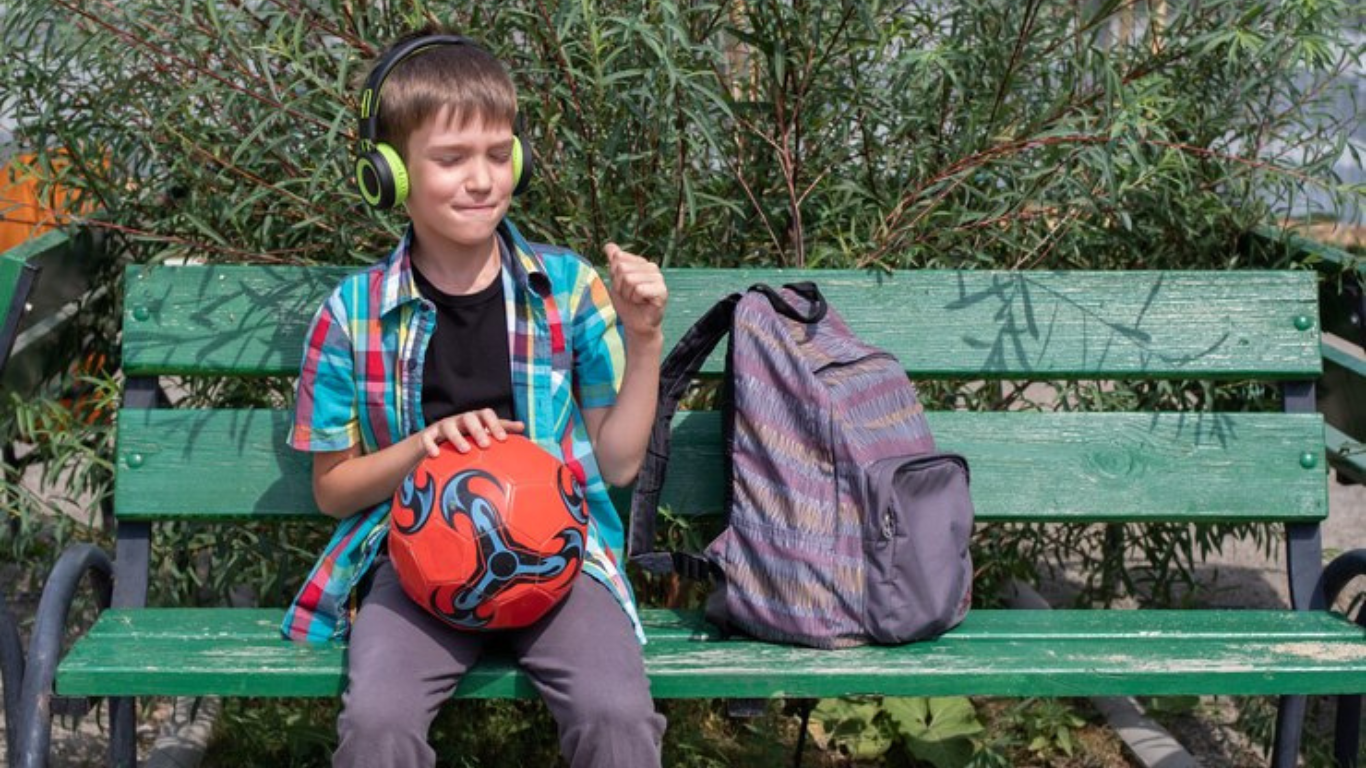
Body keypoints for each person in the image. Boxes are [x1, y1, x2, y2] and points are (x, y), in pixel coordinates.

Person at [282, 24, 669, 768]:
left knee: (616, 715)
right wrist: (421, 448)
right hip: (414, 565)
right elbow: (332, 491)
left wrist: (644, 337)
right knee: (376, 727)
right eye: (451, 159)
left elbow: (619, 464)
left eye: (498, 154)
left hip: (561, 559)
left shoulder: (570, 290)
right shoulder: (351, 314)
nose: (482, 179)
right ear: (389, 175)